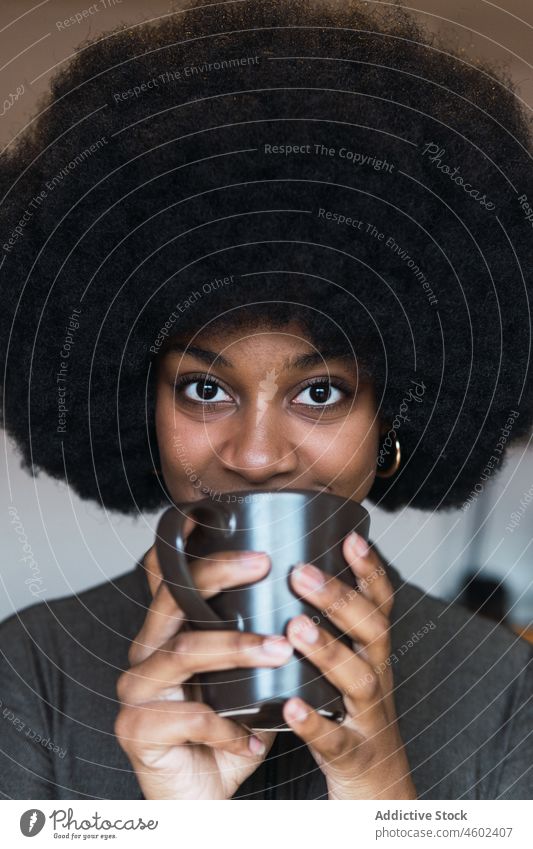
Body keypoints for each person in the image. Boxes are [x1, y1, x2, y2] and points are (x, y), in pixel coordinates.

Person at [0, 0, 532, 800]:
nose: (254, 454)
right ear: (131, 401)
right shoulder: (31, 670)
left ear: (392, 416)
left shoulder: (501, 689)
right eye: (204, 387)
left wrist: (378, 788)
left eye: (320, 390)